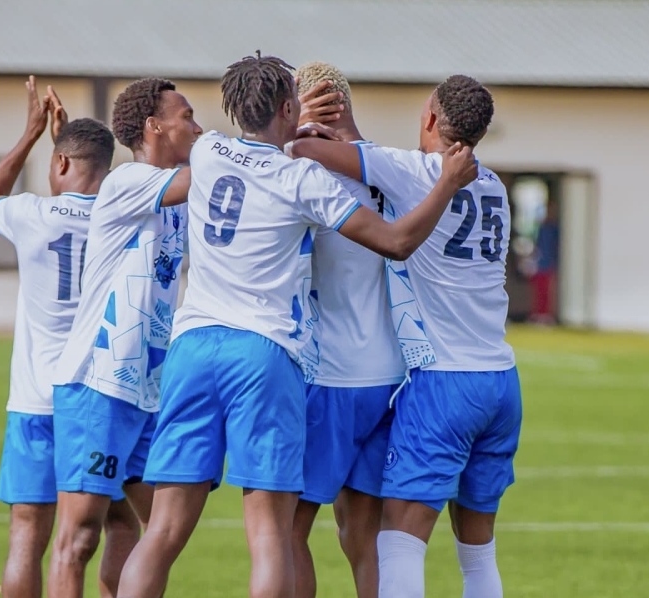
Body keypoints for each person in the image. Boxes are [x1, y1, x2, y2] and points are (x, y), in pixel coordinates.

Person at [116, 53, 477, 598]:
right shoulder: (309, 178)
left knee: (163, 530)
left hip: (194, 346)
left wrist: (286, 121)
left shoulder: (210, 149)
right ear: (288, 106)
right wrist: (445, 183)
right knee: (274, 535)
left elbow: (248, 145)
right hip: (271, 354)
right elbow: (397, 241)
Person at [291, 74, 522, 598]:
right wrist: (350, 130)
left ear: (432, 120)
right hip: (502, 381)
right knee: (478, 554)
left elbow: (304, 148)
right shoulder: (493, 186)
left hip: (445, 383)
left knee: (398, 541)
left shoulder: (415, 172)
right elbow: (372, 158)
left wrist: (303, 115)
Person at [47, 77, 200, 598]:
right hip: (100, 380)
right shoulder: (131, 179)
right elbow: (218, 175)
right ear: (155, 127)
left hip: (147, 390)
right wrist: (259, 142)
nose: (198, 129)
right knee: (79, 537)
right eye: (188, 116)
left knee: (152, 531)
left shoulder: (180, 196)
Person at [0, 76, 116, 598]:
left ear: (59, 164)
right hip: (97, 397)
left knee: (26, 535)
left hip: (34, 400)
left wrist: (32, 134)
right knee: (100, 534)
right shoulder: (118, 218)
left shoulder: (31, 214)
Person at [289, 62, 405, 598]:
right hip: (387, 374)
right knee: (364, 533)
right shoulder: (387, 170)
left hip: (329, 375)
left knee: (287, 527)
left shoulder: (295, 173)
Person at [530, 201, 559, 324]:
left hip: (550, 264)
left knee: (548, 291)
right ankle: (539, 313)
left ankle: (547, 314)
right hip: (540, 263)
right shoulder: (542, 228)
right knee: (539, 291)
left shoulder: (554, 228)